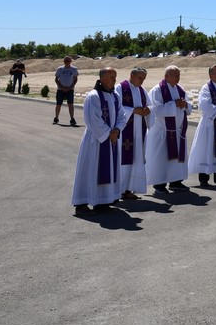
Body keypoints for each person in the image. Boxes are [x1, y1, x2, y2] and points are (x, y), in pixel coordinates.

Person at [71, 67, 122, 216]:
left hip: (110, 138)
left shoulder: (115, 95)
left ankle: (102, 201)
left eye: (115, 77)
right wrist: (109, 133)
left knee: (107, 170)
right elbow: (92, 120)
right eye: (112, 77)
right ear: (102, 78)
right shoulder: (93, 96)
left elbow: (122, 115)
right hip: (95, 140)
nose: (114, 80)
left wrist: (117, 130)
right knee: (90, 170)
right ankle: (81, 203)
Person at [146, 66, 191, 193]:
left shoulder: (180, 90)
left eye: (178, 74)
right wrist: (175, 104)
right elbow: (156, 109)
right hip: (162, 131)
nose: (178, 77)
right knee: (161, 159)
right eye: (175, 75)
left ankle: (176, 181)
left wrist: (185, 105)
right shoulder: (158, 90)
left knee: (176, 160)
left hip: (177, 131)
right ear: (166, 76)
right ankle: (159, 185)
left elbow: (188, 106)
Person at [117, 67, 152, 200]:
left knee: (135, 159)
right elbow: (116, 107)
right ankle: (118, 190)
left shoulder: (142, 91)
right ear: (131, 75)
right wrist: (133, 111)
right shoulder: (120, 88)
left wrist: (148, 110)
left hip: (139, 132)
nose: (142, 81)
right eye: (140, 78)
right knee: (123, 160)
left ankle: (128, 189)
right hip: (126, 132)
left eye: (143, 79)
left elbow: (151, 105)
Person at [54, 56, 79, 126]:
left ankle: (72, 119)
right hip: (60, 90)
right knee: (58, 104)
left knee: (70, 104)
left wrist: (70, 87)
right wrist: (61, 87)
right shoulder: (60, 69)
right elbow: (56, 79)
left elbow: (75, 79)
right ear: (63, 61)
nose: (67, 62)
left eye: (68, 61)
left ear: (71, 61)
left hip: (70, 89)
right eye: (66, 61)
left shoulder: (74, 69)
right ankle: (56, 117)